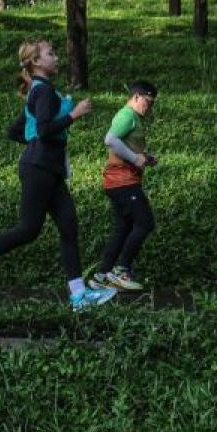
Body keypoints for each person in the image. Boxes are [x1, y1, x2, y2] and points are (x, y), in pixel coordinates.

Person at [0, 40, 117, 312]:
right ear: (36, 62)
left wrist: (35, 142)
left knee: (69, 226)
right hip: (39, 169)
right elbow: (45, 129)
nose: (57, 57)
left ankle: (79, 295)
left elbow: (17, 130)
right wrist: (73, 114)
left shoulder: (39, 91)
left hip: (48, 168)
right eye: (51, 53)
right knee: (28, 229)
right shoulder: (44, 92)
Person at [89, 80, 159, 292]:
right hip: (122, 181)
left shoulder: (133, 117)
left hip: (120, 181)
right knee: (145, 222)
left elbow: (125, 147)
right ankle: (121, 271)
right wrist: (134, 158)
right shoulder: (127, 115)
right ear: (137, 97)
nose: (150, 107)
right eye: (148, 101)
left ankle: (102, 276)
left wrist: (144, 158)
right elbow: (110, 139)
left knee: (123, 227)